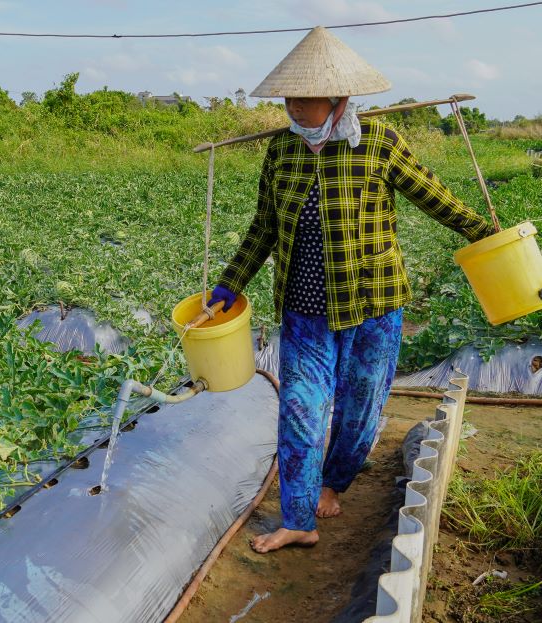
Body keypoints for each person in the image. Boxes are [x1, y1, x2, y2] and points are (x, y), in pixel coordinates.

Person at [207, 26, 492, 553]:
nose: (292, 106)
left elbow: (434, 198)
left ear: (336, 98)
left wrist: (488, 233)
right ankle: (298, 518)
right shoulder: (282, 152)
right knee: (300, 407)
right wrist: (230, 282)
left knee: (360, 407)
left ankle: (334, 482)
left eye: (303, 97)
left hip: (372, 305)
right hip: (304, 308)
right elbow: (264, 226)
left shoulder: (379, 144)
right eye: (288, 97)